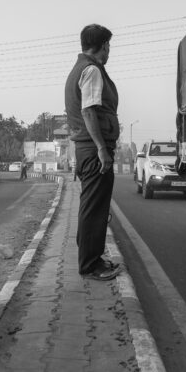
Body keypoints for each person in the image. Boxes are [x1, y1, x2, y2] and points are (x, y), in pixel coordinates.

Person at [64, 23, 121, 281]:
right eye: (109, 46)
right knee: (95, 208)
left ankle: (89, 256)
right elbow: (88, 111)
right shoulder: (92, 70)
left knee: (91, 205)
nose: (109, 51)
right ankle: (90, 265)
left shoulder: (79, 68)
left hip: (84, 148)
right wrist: (101, 148)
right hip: (92, 149)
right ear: (104, 46)